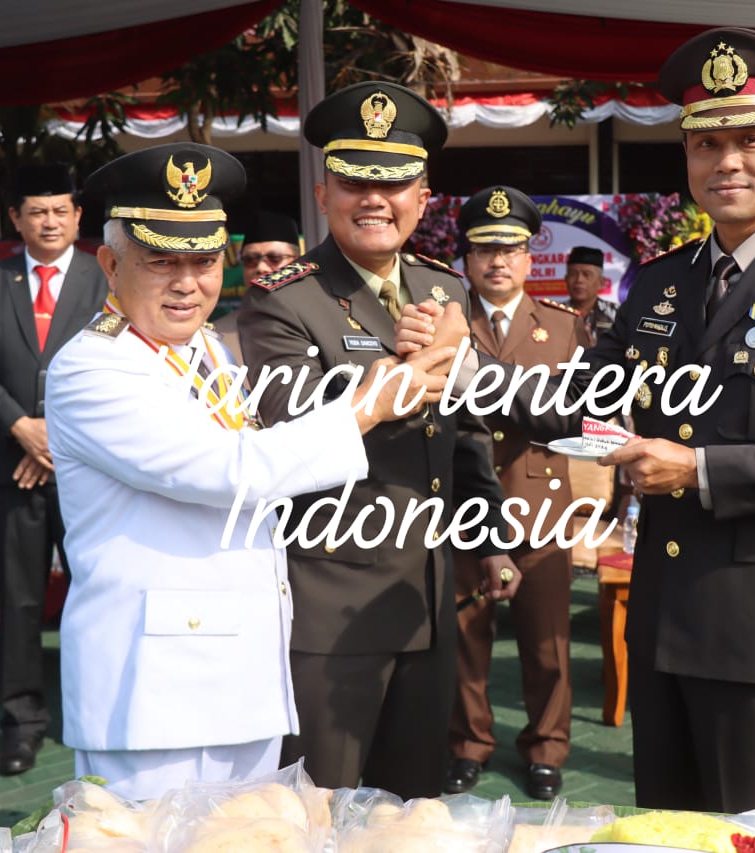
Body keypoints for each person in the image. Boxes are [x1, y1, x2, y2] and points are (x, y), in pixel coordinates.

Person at [398, 27, 755, 813]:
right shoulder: (664, 283)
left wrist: (699, 469)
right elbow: (584, 400)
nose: (726, 161)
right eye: (706, 143)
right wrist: (461, 368)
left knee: (753, 827)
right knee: (667, 825)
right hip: (664, 612)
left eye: (749, 140)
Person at [45, 142, 453, 800]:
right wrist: (367, 407)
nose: (188, 283)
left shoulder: (205, 348)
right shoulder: (93, 367)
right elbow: (232, 470)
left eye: (204, 261)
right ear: (112, 264)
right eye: (162, 261)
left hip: (245, 677)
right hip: (155, 693)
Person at [238, 80, 521, 799]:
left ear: (422, 198)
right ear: (322, 193)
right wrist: (404, 366)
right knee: (316, 811)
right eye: (354, 182)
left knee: (411, 811)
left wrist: (489, 536)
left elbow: (466, 432)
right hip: (331, 606)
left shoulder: (443, 290)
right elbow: (293, 425)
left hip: (426, 598)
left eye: (393, 183)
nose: (374, 199)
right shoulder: (284, 299)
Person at [0, 164, 109, 777]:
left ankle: (101, 714)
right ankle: (21, 724)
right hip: (11, 469)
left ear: (78, 217)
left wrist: (56, 443)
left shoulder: (104, 278)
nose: (50, 221)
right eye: (37, 212)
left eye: (61, 210)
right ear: (16, 219)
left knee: (98, 592)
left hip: (88, 471)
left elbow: (115, 366)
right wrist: (23, 429)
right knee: (19, 600)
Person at [443, 186, 591, 801]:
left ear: (531, 259)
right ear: (466, 260)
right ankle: (467, 744)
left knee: (547, 643)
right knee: (465, 641)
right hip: (461, 505)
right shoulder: (445, 321)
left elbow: (578, 414)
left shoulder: (565, 327)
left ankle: (546, 749)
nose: (498, 261)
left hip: (540, 507)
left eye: (510, 250)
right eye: (484, 250)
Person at [214, 211, 301, 364]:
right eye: (250, 260)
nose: (260, 268)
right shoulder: (217, 336)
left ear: (297, 263)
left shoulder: (321, 322)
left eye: (274, 258)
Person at [562, 246, 616, 340]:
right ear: (566, 279)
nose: (579, 280)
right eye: (573, 274)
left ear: (601, 282)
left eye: (587, 274)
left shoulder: (617, 314)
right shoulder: (555, 313)